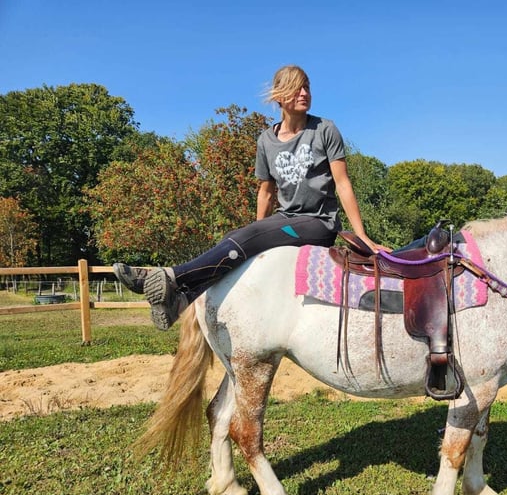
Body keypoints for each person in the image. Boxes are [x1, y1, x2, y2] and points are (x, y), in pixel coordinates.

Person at [113, 65, 387, 330]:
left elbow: (343, 183)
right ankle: (184, 299)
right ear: (279, 96)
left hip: (318, 223)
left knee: (247, 237)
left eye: (307, 87)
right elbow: (266, 193)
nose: (304, 93)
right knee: (237, 237)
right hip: (286, 218)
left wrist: (362, 236)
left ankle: (169, 277)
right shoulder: (266, 140)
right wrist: (258, 233)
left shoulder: (325, 130)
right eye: (296, 88)